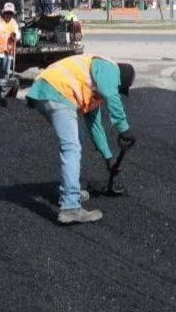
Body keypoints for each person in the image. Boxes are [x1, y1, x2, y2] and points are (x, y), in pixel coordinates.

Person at [26, 55, 136, 224]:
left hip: (46, 91)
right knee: (71, 148)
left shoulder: (92, 89)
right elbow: (110, 93)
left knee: (69, 146)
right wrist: (124, 128)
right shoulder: (110, 68)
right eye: (119, 89)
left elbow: (95, 127)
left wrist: (109, 159)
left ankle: (71, 193)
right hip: (58, 90)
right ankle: (70, 207)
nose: (116, 92)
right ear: (119, 80)